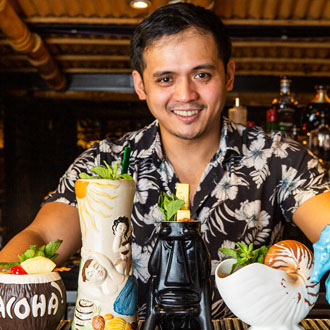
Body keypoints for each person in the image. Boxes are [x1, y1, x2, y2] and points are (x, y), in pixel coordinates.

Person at [0, 2, 330, 320]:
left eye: (201, 75)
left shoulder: (281, 158)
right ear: (140, 85)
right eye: (165, 79)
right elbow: (42, 239)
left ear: (228, 76)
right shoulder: (103, 163)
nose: (185, 95)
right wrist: (8, 277)